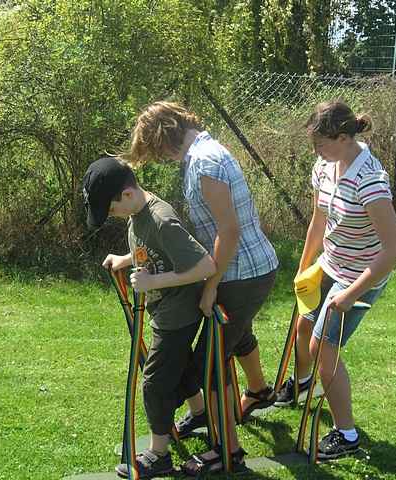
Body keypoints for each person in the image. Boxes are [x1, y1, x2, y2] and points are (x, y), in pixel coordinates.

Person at [130, 102, 279, 474]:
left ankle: (227, 452)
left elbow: (227, 231)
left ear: (165, 137)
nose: (159, 159)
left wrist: (210, 287)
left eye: (155, 150)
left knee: (210, 365)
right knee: (230, 341)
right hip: (244, 270)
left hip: (241, 275)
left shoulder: (204, 163)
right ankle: (257, 394)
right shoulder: (208, 152)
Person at [274, 100, 396, 459]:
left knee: (323, 348)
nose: (315, 151)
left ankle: (346, 435)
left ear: (344, 137)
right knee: (304, 326)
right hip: (330, 265)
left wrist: (350, 293)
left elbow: (395, 249)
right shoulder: (324, 165)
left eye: (320, 143)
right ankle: (302, 386)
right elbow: (319, 219)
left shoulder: (370, 180)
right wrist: (304, 268)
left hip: (363, 275)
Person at [82, 157, 217, 478]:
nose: (112, 216)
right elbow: (152, 250)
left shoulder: (160, 219)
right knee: (179, 365)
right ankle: (199, 414)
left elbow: (205, 266)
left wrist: (153, 282)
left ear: (127, 194)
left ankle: (159, 454)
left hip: (178, 313)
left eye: (112, 209)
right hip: (165, 308)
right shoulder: (140, 214)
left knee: (155, 383)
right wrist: (126, 259)